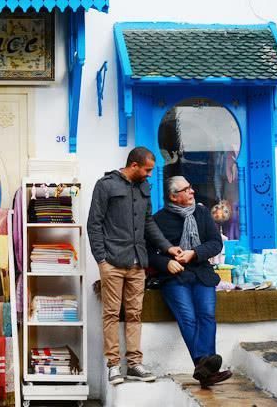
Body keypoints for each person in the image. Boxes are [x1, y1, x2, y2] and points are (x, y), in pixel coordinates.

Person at [87, 147, 182, 385]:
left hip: (138, 261)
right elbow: (94, 224)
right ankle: (112, 365)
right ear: (134, 166)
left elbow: (148, 222)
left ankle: (134, 364)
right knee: (110, 313)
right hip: (113, 261)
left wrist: (168, 247)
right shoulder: (105, 185)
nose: (150, 174)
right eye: (147, 169)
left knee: (134, 314)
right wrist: (102, 259)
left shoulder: (144, 188)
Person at [148, 176, 233, 388]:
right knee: (188, 318)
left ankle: (204, 370)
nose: (192, 191)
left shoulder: (202, 213)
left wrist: (194, 253)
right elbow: (147, 253)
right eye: (186, 189)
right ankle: (207, 368)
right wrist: (166, 263)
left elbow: (215, 244)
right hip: (174, 277)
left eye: (191, 187)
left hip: (202, 272)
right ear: (173, 197)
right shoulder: (159, 220)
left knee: (207, 315)